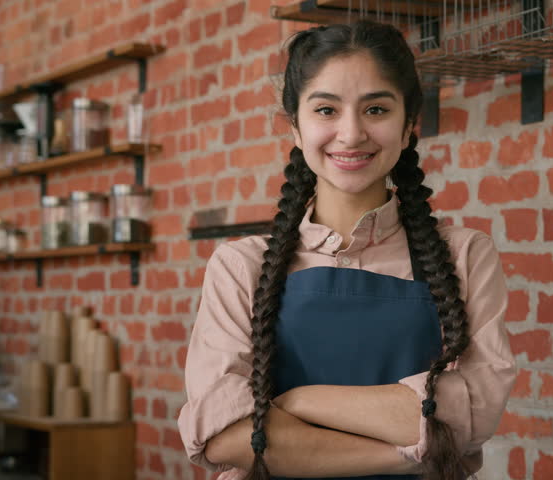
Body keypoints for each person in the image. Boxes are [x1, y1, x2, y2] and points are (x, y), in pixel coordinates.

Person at [178, 21, 516, 480]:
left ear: (408, 125)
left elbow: (470, 413)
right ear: (296, 127)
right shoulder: (241, 267)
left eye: (376, 108)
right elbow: (226, 433)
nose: (352, 133)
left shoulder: (465, 256)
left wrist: (296, 403)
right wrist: (410, 453)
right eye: (326, 110)